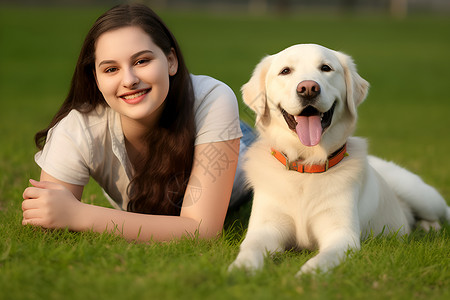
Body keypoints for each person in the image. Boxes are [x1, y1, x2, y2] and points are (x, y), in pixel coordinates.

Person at [21, 3, 253, 242]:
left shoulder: (212, 99)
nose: (129, 80)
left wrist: (78, 214)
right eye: (111, 69)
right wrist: (58, 213)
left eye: (141, 61)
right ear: (96, 79)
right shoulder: (78, 128)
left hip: (239, 145)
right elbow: (47, 219)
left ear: (171, 60)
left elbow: (202, 231)